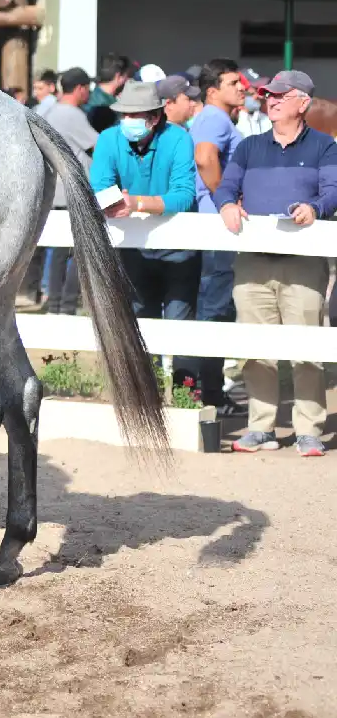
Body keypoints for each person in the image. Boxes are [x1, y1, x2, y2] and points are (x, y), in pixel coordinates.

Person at [215, 70, 336, 457]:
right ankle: (260, 427)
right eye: (268, 95)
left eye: (280, 95)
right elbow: (225, 187)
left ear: (303, 102)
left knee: (307, 349)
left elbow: (333, 191)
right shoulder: (249, 147)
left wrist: (315, 208)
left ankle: (309, 429)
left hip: (303, 264)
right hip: (252, 263)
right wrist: (227, 205)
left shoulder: (324, 147)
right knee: (255, 349)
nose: (271, 100)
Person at [92, 81, 199, 381]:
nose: (127, 121)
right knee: (138, 319)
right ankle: (144, 392)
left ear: (154, 117)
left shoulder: (179, 138)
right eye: (123, 114)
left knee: (180, 322)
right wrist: (114, 204)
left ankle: (185, 393)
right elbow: (99, 185)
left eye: (134, 115)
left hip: (179, 247)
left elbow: (184, 194)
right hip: (132, 246)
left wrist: (137, 202)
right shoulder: (108, 139)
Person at [191, 58, 245, 407]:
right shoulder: (214, 118)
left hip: (213, 226)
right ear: (213, 91)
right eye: (233, 83)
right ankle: (210, 395)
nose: (241, 87)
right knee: (214, 309)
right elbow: (205, 158)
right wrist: (226, 199)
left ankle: (209, 392)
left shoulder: (217, 118)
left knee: (214, 307)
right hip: (216, 227)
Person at [41, 68, 98, 315]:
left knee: (58, 252)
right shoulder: (72, 115)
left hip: (56, 190)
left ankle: (55, 304)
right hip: (73, 192)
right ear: (80, 88)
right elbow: (98, 145)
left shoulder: (51, 112)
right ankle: (66, 305)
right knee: (76, 254)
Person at [85, 53, 131, 132]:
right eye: (127, 76)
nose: (128, 80)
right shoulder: (108, 106)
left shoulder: (89, 99)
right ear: (118, 76)